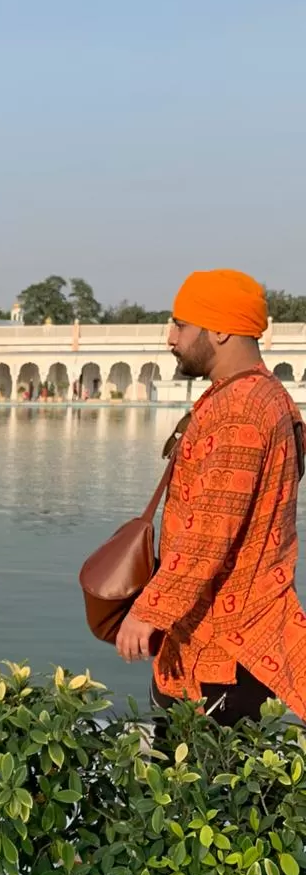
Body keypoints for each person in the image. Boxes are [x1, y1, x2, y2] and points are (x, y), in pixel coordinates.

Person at [117, 269, 306, 725]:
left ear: (220, 329)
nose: (170, 338)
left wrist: (148, 611)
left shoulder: (240, 409)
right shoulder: (267, 396)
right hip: (227, 636)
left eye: (181, 324)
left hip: (221, 651)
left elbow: (210, 531)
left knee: (195, 790)